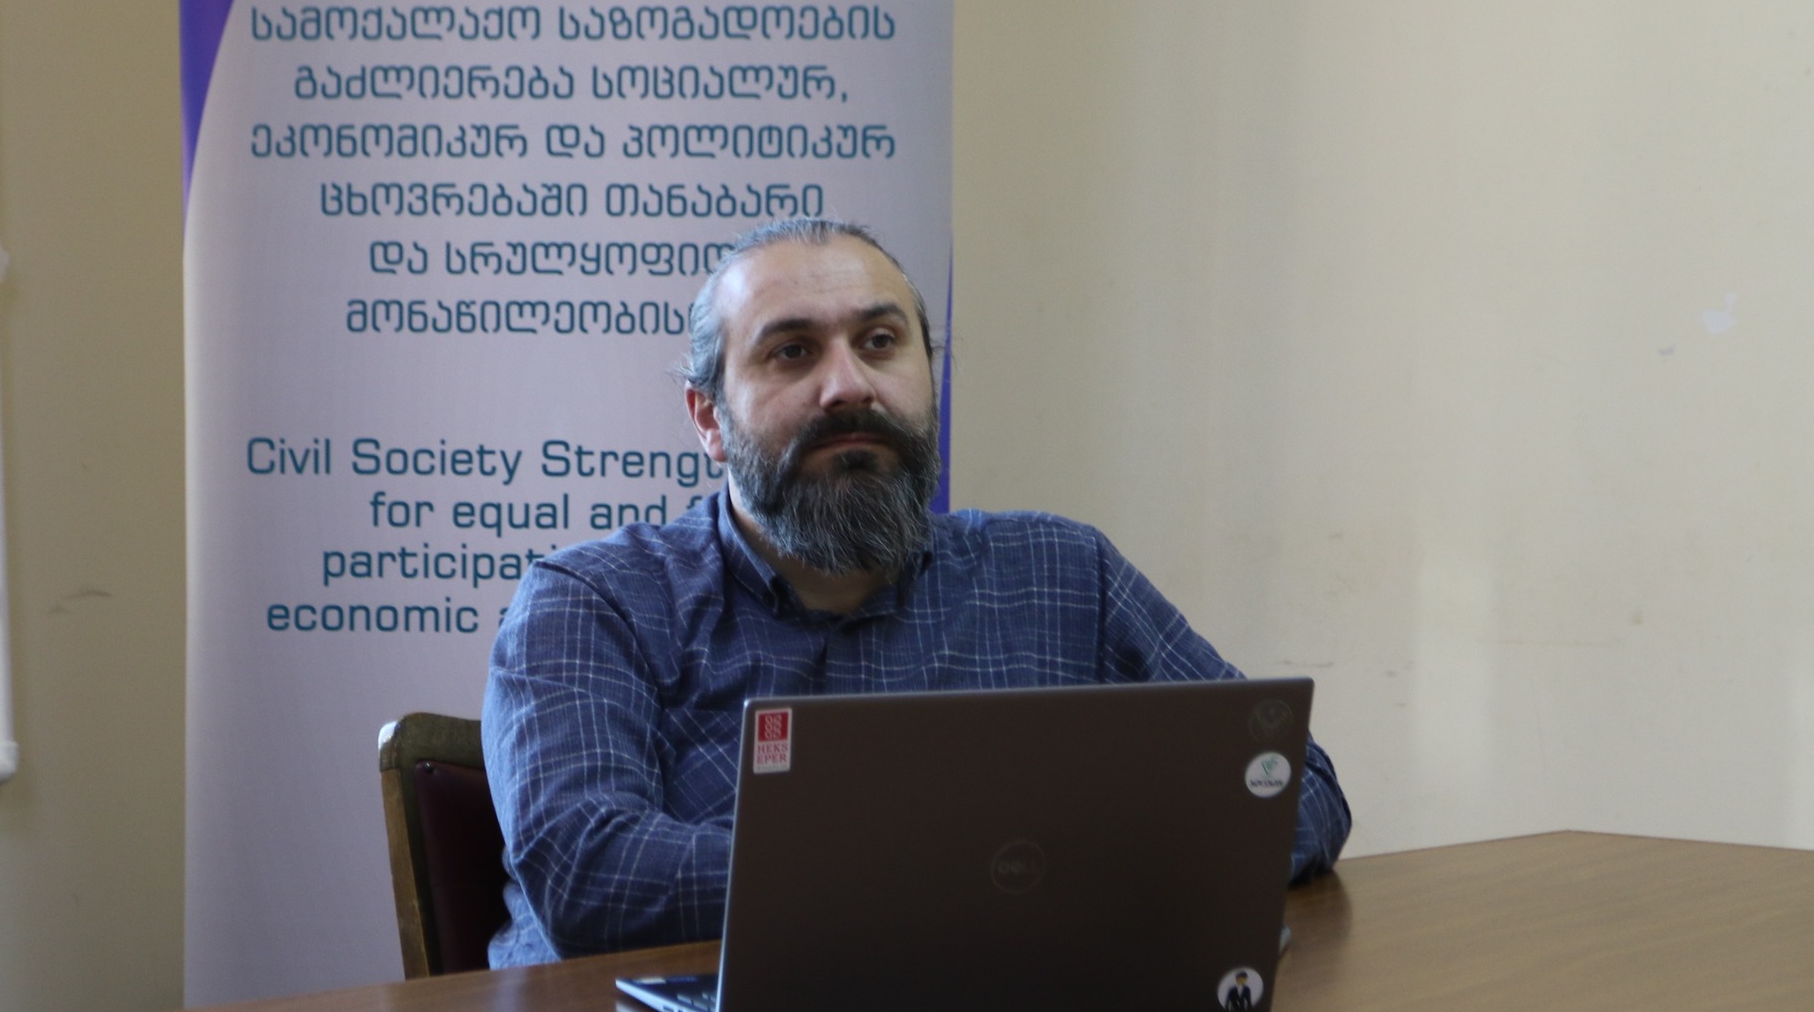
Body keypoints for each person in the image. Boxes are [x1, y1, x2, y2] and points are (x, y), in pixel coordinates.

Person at [481, 219, 1351, 966]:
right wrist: (997, 867)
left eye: (880, 342)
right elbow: (591, 875)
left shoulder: (1063, 574)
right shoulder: (595, 602)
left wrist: (1072, 866)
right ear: (709, 417)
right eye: (792, 351)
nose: (848, 386)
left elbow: (1291, 782)